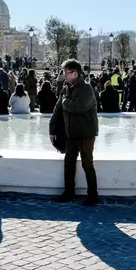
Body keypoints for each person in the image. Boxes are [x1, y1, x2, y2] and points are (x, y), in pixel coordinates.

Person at [49, 59, 99, 206]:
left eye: (66, 72)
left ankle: (93, 195)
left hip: (86, 134)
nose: (63, 75)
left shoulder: (87, 89)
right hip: (70, 134)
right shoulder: (66, 89)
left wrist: (65, 102)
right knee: (68, 164)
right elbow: (57, 111)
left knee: (87, 164)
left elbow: (79, 107)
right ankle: (69, 192)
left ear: (75, 73)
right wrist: (52, 130)